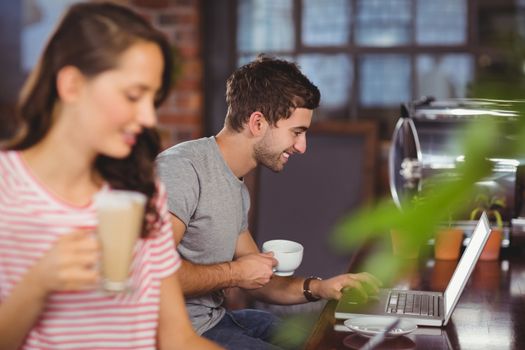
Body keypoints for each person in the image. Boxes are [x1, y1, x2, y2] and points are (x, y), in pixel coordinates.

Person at [0, 2, 222, 349]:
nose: (149, 117)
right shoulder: (5, 189)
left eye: (153, 98)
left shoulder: (139, 193)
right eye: (134, 95)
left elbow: (177, 338)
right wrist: (36, 286)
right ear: (72, 85)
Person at [156, 55, 382, 349]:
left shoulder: (235, 186)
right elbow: (156, 274)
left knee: (325, 339)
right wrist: (236, 273)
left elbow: (260, 278)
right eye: (296, 132)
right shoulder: (181, 169)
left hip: (218, 319)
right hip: (182, 335)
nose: (302, 147)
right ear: (258, 123)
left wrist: (321, 287)